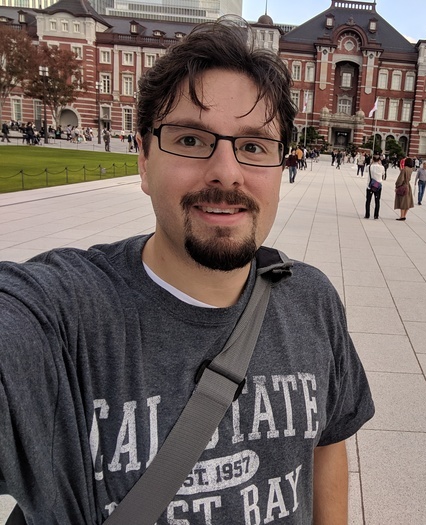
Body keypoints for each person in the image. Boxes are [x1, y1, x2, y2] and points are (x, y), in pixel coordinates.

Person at [0, 19, 374, 524]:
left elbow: (327, 442)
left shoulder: (312, 300)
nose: (226, 172)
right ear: (143, 159)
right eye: (192, 140)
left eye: (254, 146)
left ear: (281, 165)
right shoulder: (65, 318)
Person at [365, 154, 383, 219]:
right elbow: (383, 173)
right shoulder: (382, 167)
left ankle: (367, 214)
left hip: (370, 185)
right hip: (378, 185)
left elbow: (366, 170)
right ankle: (376, 215)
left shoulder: (369, 166)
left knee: (368, 200)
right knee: (377, 201)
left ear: (372, 160)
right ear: (379, 160)